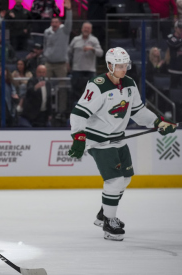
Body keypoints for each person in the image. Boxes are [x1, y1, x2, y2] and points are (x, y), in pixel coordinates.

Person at [68, 47, 177, 241]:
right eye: (119, 66)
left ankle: (104, 213)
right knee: (114, 181)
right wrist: (78, 136)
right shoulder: (97, 85)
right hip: (99, 140)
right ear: (109, 66)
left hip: (118, 138)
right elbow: (78, 113)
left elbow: (138, 111)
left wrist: (158, 122)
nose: (123, 69)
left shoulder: (129, 83)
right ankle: (109, 223)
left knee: (125, 178)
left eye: (125, 65)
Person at [68, 22, 103, 109]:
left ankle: (90, 110)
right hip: (77, 70)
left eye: (88, 28)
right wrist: (68, 63)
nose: (86, 30)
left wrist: (92, 48)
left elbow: (100, 53)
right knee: (75, 91)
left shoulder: (94, 40)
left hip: (90, 70)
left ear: (91, 30)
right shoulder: (75, 39)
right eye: (85, 28)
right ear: (82, 29)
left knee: (91, 91)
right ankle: (75, 110)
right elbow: (69, 53)